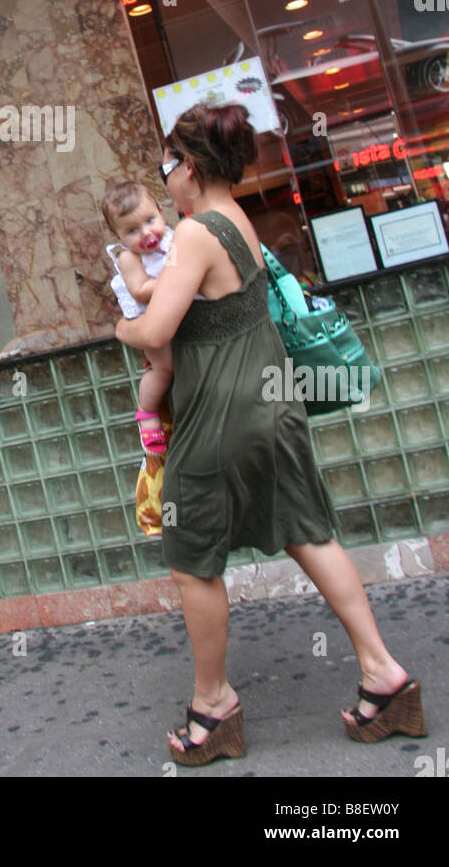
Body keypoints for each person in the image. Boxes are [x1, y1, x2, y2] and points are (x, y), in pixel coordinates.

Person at [115, 101, 426, 767]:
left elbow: (155, 329)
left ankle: (213, 705)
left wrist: (122, 328)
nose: (164, 177)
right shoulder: (240, 222)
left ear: (190, 168)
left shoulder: (197, 233)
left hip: (223, 414)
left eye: (167, 164)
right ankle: (384, 675)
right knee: (306, 529)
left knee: (191, 552)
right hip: (272, 401)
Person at [101, 181, 175, 455]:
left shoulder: (174, 239)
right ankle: (147, 413)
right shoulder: (129, 259)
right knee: (163, 368)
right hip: (150, 322)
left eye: (149, 220)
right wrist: (180, 278)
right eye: (132, 230)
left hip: (176, 316)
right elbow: (141, 291)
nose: (146, 233)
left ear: (160, 210)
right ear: (118, 236)